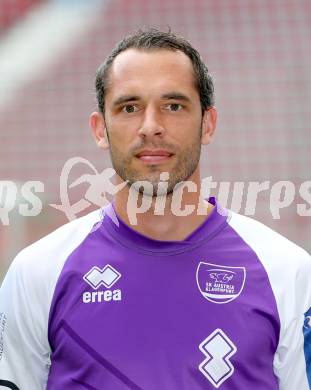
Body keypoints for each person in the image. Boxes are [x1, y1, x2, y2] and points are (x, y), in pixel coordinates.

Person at [0, 28, 310, 390]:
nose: (151, 127)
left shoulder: (287, 272)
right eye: (129, 107)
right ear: (100, 129)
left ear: (207, 124)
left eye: (173, 106)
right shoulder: (38, 273)